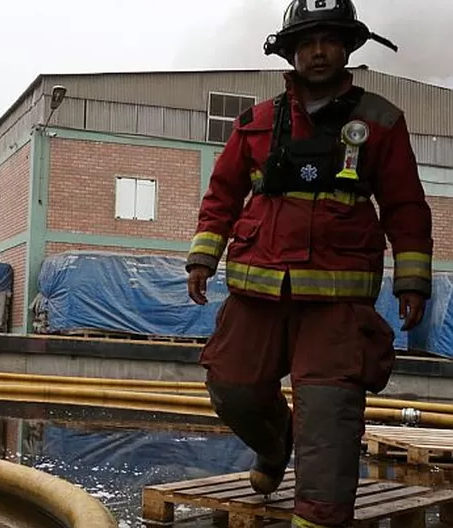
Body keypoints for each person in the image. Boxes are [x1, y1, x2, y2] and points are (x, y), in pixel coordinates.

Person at [185, 1, 433, 526]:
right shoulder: (254, 122)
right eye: (306, 42)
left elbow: (406, 204)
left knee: (328, 417)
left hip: (337, 305)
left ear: (346, 48)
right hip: (257, 294)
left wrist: (413, 279)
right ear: (291, 51)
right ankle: (275, 448)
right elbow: (222, 195)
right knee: (232, 389)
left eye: (328, 40)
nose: (317, 52)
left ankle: (318, 519)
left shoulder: (380, 120)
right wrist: (202, 259)